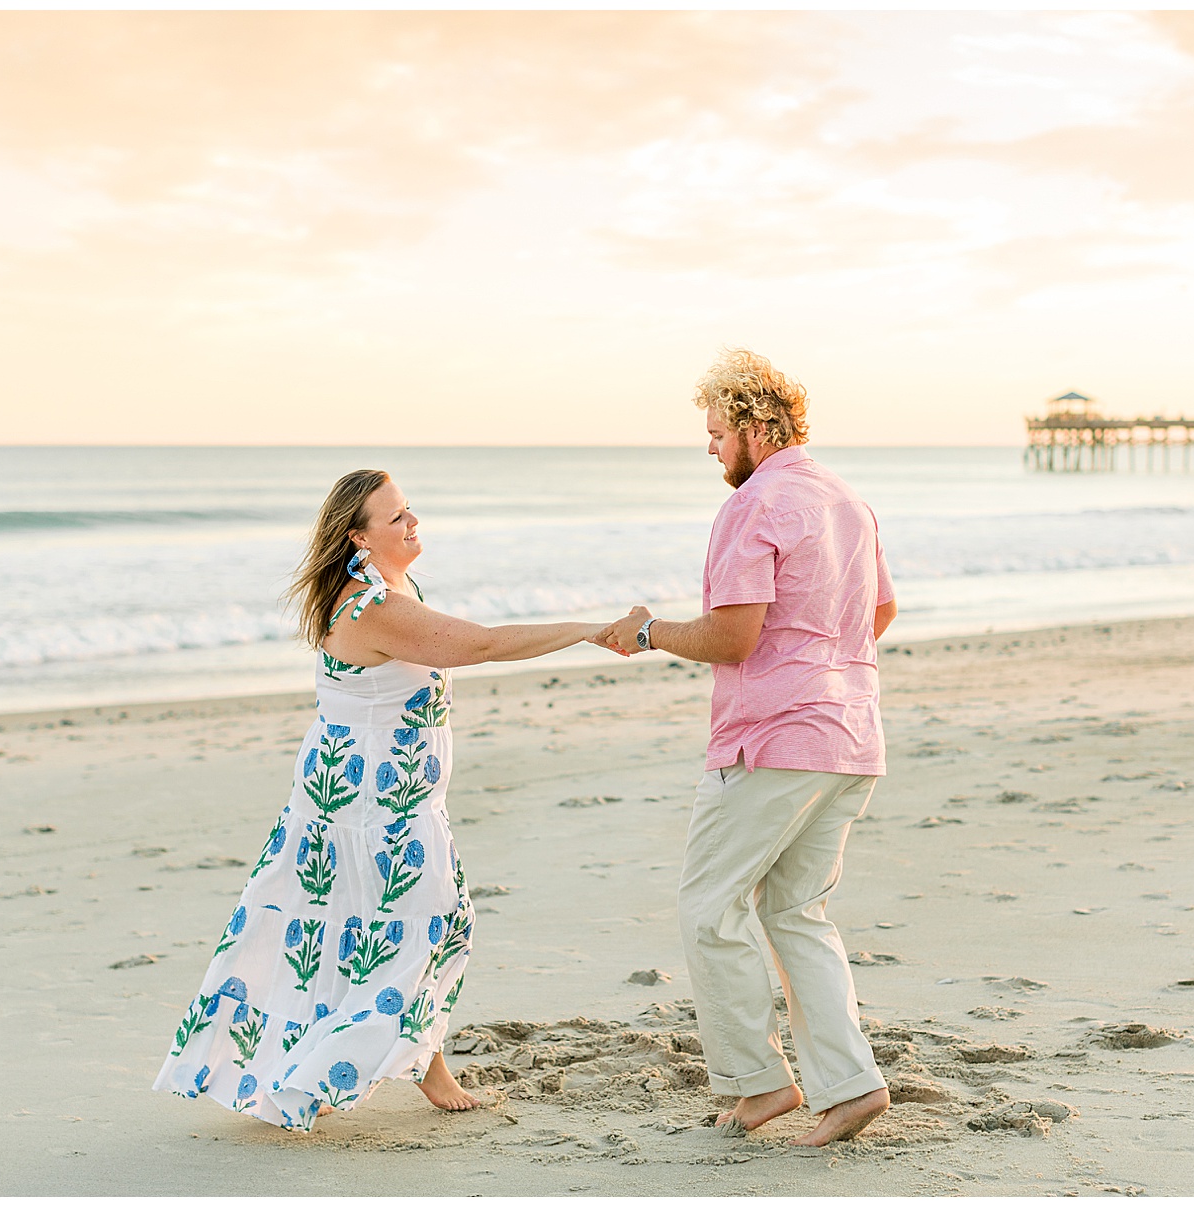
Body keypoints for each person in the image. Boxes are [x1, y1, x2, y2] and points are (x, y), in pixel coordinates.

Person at [154, 469, 617, 1129]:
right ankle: (324, 1074)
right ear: (358, 538)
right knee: (427, 920)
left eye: (410, 511)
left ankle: (419, 1059)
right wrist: (590, 629)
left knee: (393, 922)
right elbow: (482, 644)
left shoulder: (397, 587)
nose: (413, 523)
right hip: (369, 798)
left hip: (386, 789)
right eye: (396, 517)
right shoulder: (372, 605)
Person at [598, 349, 898, 1147]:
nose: (710, 448)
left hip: (772, 742)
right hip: (850, 734)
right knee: (796, 912)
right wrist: (818, 664)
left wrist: (650, 631)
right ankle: (851, 1083)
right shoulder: (847, 500)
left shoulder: (755, 504)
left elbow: (734, 633)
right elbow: (882, 610)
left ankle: (760, 1083)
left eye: (717, 432)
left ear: (757, 428)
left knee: (708, 904)